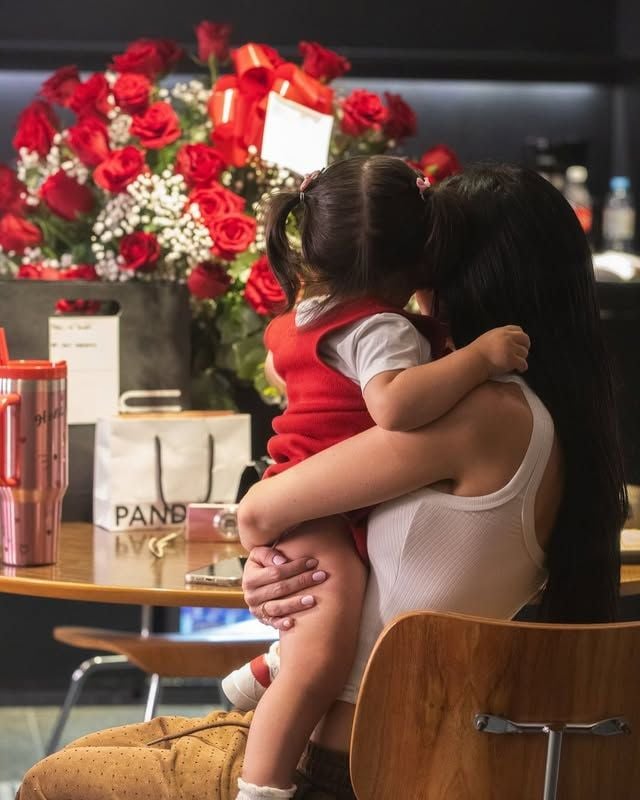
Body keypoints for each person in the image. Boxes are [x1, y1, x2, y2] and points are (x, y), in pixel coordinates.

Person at [17, 164, 627, 800]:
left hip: (341, 769)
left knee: (49, 779)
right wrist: (275, 573)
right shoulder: (560, 422)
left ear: (457, 271)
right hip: (420, 754)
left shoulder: (475, 414)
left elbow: (258, 513)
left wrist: (267, 550)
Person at [223, 156, 529, 800]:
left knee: (326, 621)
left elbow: (288, 388)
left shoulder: (314, 314)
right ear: (423, 261)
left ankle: (269, 679)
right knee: (321, 646)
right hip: (318, 507)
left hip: (307, 501)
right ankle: (263, 784)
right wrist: (475, 356)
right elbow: (393, 406)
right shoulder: (383, 329)